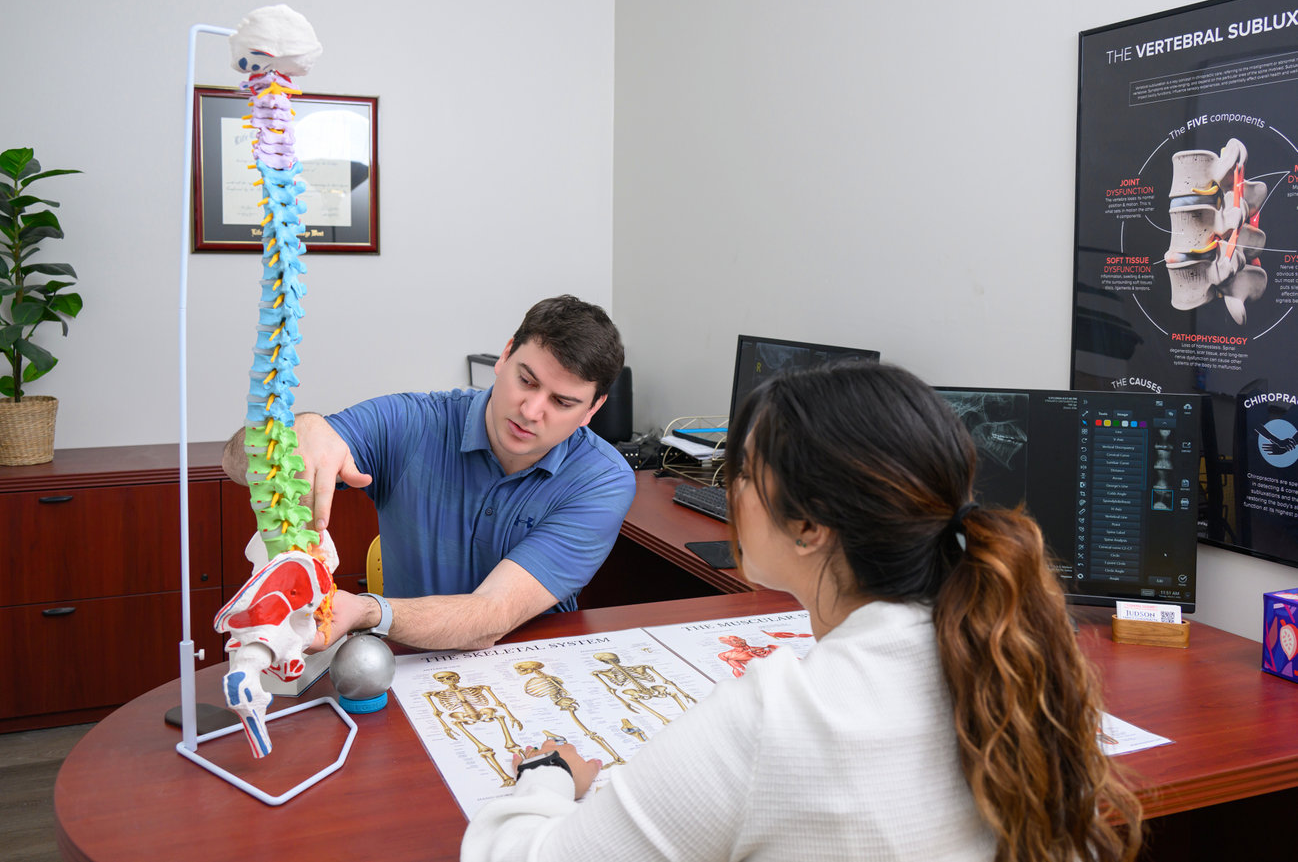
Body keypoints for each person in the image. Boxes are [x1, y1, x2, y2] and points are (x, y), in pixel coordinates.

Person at [461, 361, 1142, 862]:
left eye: (743, 474)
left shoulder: (776, 720)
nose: (730, 490)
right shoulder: (1015, 662)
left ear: (810, 526)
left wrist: (544, 781)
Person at [221, 294, 636, 652]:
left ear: (592, 410)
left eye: (562, 402)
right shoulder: (414, 421)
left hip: (533, 666)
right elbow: (234, 464)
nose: (531, 411)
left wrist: (367, 610)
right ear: (505, 355)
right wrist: (303, 430)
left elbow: (490, 616)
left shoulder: (602, 480)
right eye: (526, 381)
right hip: (408, 663)